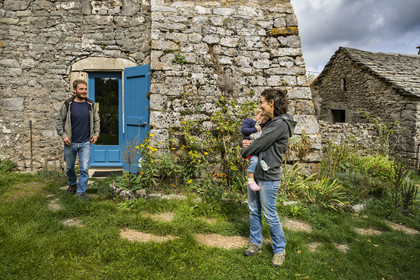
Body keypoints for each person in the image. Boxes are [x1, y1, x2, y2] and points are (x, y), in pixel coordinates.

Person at [240, 88, 297, 267]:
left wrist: (245, 150)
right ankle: (255, 243)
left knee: (269, 213)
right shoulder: (269, 123)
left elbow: (260, 144)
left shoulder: (280, 124)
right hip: (256, 173)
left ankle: (279, 249)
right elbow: (252, 140)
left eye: (261, 102)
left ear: (271, 103)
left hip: (269, 176)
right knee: (253, 210)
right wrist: (245, 143)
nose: (260, 106)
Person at [56, 79, 100, 200]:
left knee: (84, 169)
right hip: (70, 142)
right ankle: (72, 183)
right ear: (74, 90)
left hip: (86, 142)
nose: (84, 91)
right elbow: (59, 120)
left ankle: (81, 192)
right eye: (81, 89)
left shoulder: (90, 104)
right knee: (69, 167)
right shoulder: (67, 104)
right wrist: (63, 135)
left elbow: (97, 120)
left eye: (85, 89)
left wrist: (96, 133)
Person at [241, 109, 269, 191]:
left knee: (261, 158)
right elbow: (243, 130)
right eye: (261, 115)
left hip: (258, 148)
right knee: (254, 160)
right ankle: (250, 179)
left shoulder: (263, 126)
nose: (261, 118)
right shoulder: (249, 121)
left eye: (264, 118)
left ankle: (263, 163)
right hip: (250, 147)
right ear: (257, 113)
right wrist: (255, 129)